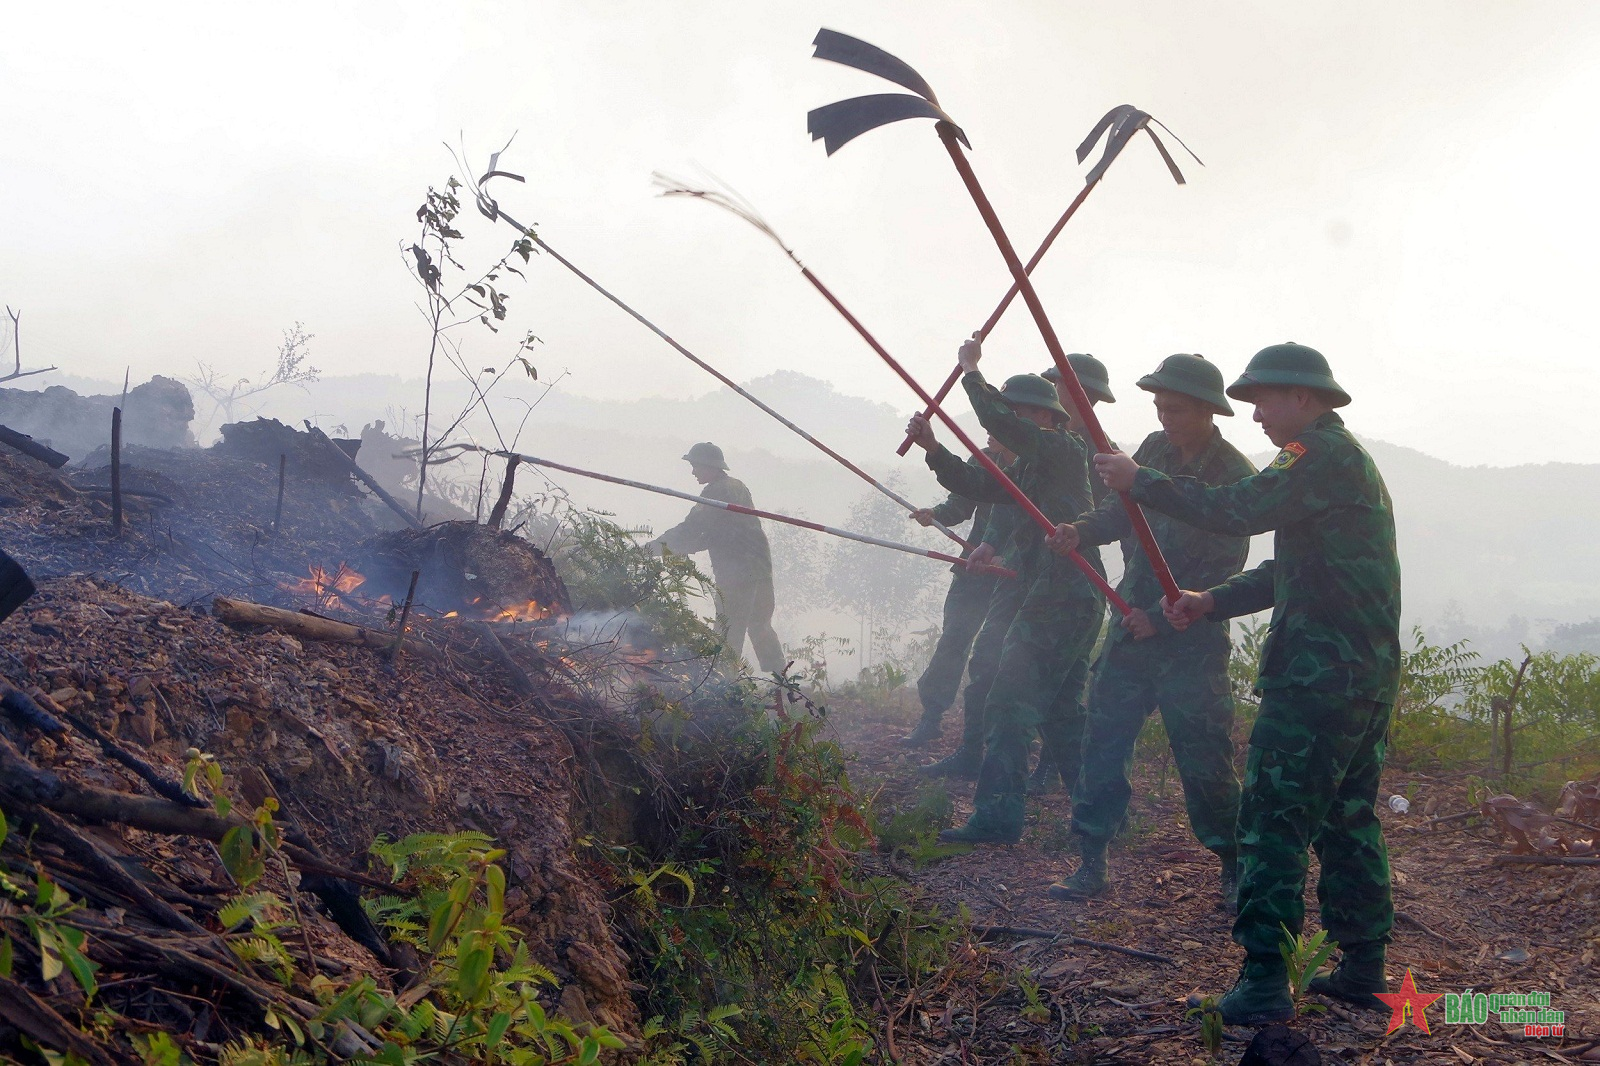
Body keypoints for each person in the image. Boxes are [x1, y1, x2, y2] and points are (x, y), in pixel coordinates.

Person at [1083, 343, 1400, 1024]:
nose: (1253, 412)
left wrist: (1142, 482)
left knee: (1270, 823)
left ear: (1305, 399)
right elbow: (1290, 570)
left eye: (1263, 397)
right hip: (1359, 674)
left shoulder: (1316, 455)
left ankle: (1262, 984)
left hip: (1316, 675)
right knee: (1346, 817)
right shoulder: (1337, 466)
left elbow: (1237, 511)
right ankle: (1364, 967)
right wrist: (1211, 600)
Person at [1044, 353, 1253, 904]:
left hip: (1192, 639)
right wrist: (1080, 531)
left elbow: (1225, 568)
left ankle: (1233, 865)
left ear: (1210, 411)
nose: (1164, 418)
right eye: (1159, 406)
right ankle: (1092, 859)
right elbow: (1121, 512)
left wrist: (1160, 619)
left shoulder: (1235, 476)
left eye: (1176, 409)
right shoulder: (1154, 451)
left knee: (1204, 757)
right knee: (1103, 743)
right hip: (1129, 625)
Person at [905, 333, 1105, 843]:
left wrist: (971, 371)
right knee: (1061, 712)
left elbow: (995, 421)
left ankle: (998, 817)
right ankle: (1100, 816)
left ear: (1046, 420)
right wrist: (933, 450)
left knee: (1009, 698)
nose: (1009, 425)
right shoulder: (1030, 467)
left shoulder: (1062, 449)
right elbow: (978, 487)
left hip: (1064, 592)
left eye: (1021, 415)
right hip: (1046, 588)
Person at [1028, 354, 1115, 795]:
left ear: (1082, 396)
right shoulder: (1046, 443)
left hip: (1077, 581)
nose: (1051, 395)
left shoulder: (1103, 456)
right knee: (1058, 690)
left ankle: (1082, 786)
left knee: (1059, 688)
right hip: (1041, 575)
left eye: (1058, 387)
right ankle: (1068, 778)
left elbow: (1119, 521)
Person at [899, 438, 1014, 748]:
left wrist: (1010, 557)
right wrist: (935, 513)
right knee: (953, 637)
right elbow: (960, 503)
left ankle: (1000, 731)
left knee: (1004, 650)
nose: (990, 434)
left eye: (997, 426)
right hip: (975, 567)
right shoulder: (983, 458)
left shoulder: (1042, 461)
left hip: (1017, 576)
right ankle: (932, 716)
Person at [647, 442, 784, 673]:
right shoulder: (738, 486)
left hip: (737, 574)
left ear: (708, 466)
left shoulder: (716, 492)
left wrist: (652, 549)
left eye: (695, 466)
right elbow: (711, 535)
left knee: (728, 630)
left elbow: (692, 529)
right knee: (760, 625)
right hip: (760, 568)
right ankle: (784, 682)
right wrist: (672, 549)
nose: (693, 472)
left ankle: (726, 685)